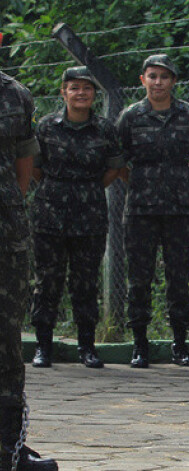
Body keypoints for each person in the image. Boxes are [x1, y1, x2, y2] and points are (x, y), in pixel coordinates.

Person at [116, 54, 189, 368]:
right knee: (139, 280)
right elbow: (119, 162)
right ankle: (140, 345)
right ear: (143, 80)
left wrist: (181, 177)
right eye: (152, 76)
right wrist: (142, 182)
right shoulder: (130, 117)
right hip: (140, 211)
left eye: (164, 77)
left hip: (179, 210)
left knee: (178, 278)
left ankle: (180, 345)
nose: (158, 83)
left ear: (173, 82)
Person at [30, 66, 123, 369]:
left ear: (94, 94)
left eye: (87, 88)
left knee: (85, 285)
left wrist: (87, 189)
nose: (80, 93)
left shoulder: (105, 129)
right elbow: (35, 167)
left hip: (90, 216)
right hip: (50, 216)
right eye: (74, 87)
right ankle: (43, 346)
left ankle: (87, 347)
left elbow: (112, 169)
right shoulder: (46, 127)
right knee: (47, 282)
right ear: (63, 92)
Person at [0, 68, 58, 469]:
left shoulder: (15, 95)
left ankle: (8, 450)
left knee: (5, 339)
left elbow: (24, 163)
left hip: (5, 231)